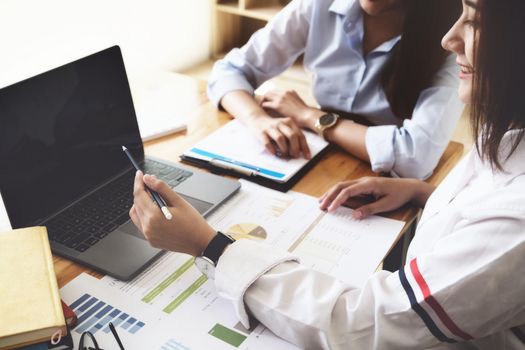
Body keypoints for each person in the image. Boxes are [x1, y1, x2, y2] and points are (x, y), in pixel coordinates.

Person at [130, 0, 525, 348]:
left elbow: (360, 325)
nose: (450, 39)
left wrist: (209, 246)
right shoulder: (509, 138)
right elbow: (232, 69)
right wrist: (425, 192)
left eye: (473, 20)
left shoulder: (516, 216)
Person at [207, 0, 464, 179]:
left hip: (382, 175)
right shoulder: (319, 4)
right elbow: (229, 70)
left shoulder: (452, 39)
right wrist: (258, 120)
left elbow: (415, 158)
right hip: (320, 156)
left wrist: (311, 116)